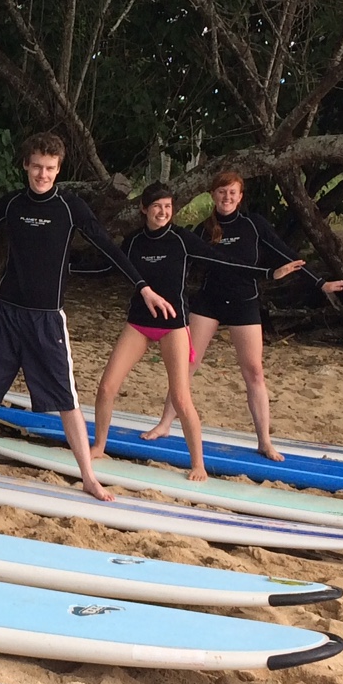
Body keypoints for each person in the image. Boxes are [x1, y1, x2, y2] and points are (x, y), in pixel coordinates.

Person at [0, 132, 176, 501]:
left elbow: (107, 247)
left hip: (46, 320)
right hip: (6, 311)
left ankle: (88, 476)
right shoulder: (12, 204)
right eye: (37, 167)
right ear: (26, 165)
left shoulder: (70, 207)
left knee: (66, 400)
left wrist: (143, 287)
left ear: (59, 169)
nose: (43, 174)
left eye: (50, 168)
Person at [92, 182, 263, 480]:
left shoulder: (182, 240)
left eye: (168, 207)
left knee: (181, 398)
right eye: (157, 206)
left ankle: (197, 463)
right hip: (139, 324)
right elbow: (105, 268)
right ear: (144, 208)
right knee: (106, 387)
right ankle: (99, 445)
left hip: (173, 327)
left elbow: (224, 260)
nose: (163, 212)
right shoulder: (133, 242)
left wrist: (268, 273)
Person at [182, 171, 343, 461]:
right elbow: (182, 264)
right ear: (212, 195)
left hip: (244, 303)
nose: (227, 197)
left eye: (232, 193)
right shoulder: (203, 230)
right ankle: (163, 424)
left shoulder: (253, 225)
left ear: (240, 196)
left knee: (254, 373)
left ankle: (264, 441)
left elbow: (286, 256)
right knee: (186, 366)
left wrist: (320, 283)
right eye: (222, 192)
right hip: (208, 303)